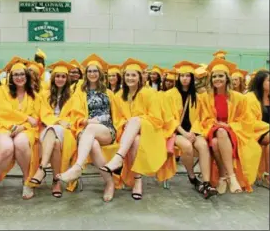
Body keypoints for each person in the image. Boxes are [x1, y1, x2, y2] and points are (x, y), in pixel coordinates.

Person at [56, 54, 119, 202]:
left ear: (100, 73)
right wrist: (88, 121)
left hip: (106, 130)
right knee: (94, 145)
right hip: (85, 130)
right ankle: (110, 183)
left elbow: (117, 115)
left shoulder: (109, 93)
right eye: (89, 71)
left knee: (91, 130)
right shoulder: (79, 94)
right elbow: (74, 116)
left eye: (95, 71)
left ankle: (77, 167)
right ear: (86, 74)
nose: (92, 74)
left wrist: (95, 123)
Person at [100, 58, 166, 200]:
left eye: (133, 75)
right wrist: (127, 123)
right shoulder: (118, 96)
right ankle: (138, 181)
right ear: (124, 77)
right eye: (128, 75)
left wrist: (136, 121)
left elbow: (156, 118)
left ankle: (118, 158)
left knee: (136, 120)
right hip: (127, 134)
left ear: (139, 77)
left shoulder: (149, 94)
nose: (130, 78)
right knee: (135, 140)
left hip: (149, 131)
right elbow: (116, 119)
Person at [0, 56, 40, 205]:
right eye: (16, 75)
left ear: (26, 76)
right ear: (11, 77)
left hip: (26, 129)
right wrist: (24, 118)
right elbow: (2, 111)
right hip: (2, 126)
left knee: (21, 143)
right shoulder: (1, 91)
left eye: (22, 74)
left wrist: (22, 126)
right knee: (6, 147)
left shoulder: (35, 95)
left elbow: (36, 117)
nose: (19, 77)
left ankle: (27, 181)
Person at [201, 58, 261, 193]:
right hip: (212, 129)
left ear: (227, 78)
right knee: (218, 135)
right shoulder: (205, 98)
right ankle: (230, 177)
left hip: (235, 132)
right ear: (210, 80)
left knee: (218, 138)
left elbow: (246, 120)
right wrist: (216, 124)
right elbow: (204, 118)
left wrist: (229, 126)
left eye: (220, 76)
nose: (217, 79)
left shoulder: (239, 98)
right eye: (214, 76)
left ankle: (225, 177)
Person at [166, 61, 217, 199]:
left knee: (203, 145)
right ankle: (192, 177)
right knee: (187, 147)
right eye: (182, 75)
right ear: (178, 77)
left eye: (188, 76)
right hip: (176, 131)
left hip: (194, 131)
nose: (185, 78)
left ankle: (206, 183)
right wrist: (185, 133)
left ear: (192, 78)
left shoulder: (198, 96)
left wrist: (193, 132)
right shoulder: (170, 94)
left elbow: (202, 117)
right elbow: (169, 118)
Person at [30, 60, 77, 198]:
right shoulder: (45, 95)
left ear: (67, 79)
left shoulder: (73, 97)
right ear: (53, 78)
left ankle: (42, 168)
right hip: (47, 127)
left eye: (63, 76)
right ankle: (56, 181)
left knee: (53, 129)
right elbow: (44, 114)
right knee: (55, 141)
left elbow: (74, 116)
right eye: (57, 76)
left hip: (66, 130)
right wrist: (57, 121)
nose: (60, 79)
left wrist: (62, 122)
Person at [246, 70, 270, 188]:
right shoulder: (251, 98)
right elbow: (250, 122)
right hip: (254, 133)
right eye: (269, 80)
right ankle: (267, 176)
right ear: (261, 82)